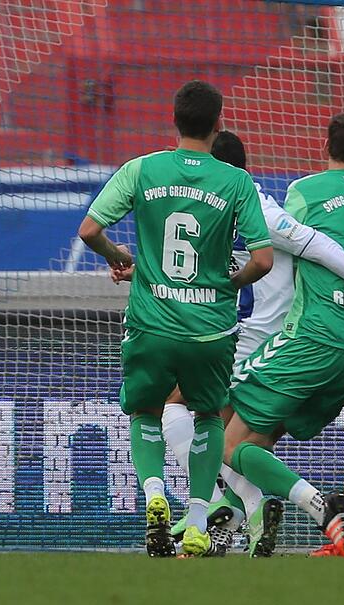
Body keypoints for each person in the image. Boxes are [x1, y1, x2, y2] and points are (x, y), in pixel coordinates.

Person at [149, 131, 344, 557]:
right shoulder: (221, 207)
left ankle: (244, 506)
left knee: (186, 411)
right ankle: (232, 521)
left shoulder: (263, 209)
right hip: (324, 343)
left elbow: (322, 247)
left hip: (266, 342)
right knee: (247, 442)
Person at [77, 80, 274, 557]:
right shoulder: (236, 181)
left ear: (174, 120)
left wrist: (121, 257)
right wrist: (230, 283)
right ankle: (199, 521)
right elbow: (263, 260)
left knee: (146, 411)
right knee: (208, 416)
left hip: (151, 323)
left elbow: (89, 230)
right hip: (210, 329)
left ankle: (154, 494)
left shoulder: (141, 169)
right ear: (219, 122)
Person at [221, 111, 344, 559]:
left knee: (221, 430)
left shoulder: (304, 191)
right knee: (256, 443)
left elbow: (297, 244)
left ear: (325, 147)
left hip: (314, 339)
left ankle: (320, 506)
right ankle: (237, 524)